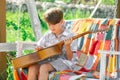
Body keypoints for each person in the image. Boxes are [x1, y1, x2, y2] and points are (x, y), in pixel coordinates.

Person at [28, 7, 78, 80]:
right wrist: (40, 49)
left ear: (62, 22)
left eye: (54, 24)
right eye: (49, 24)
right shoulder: (48, 34)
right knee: (32, 67)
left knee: (44, 67)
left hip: (65, 62)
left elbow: (70, 58)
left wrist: (67, 46)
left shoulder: (70, 36)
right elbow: (39, 47)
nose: (51, 27)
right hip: (50, 60)